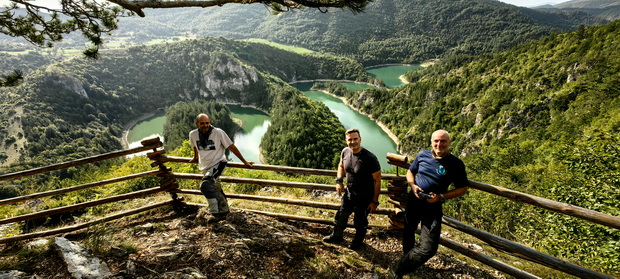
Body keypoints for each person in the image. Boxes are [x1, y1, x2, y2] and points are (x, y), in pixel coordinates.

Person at [389, 129, 468, 278]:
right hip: (414, 201)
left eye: (443, 141)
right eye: (436, 141)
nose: (439, 144)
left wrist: (441, 197)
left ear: (449, 143)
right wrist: (413, 185)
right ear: (431, 142)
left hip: (433, 208)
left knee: (429, 248)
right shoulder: (422, 155)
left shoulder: (456, 164)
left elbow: (462, 189)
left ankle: (397, 269)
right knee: (408, 231)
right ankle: (408, 261)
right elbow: (410, 172)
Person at [323, 128, 382, 250]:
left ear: (360, 139)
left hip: (364, 196)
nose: (353, 142)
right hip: (349, 193)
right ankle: (337, 236)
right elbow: (341, 166)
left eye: (355, 139)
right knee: (341, 216)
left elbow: (377, 180)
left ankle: (358, 241)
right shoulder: (345, 152)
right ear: (346, 141)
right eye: (350, 139)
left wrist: (375, 201)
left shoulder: (370, 158)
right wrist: (339, 181)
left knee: (360, 221)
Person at [189, 113, 254, 223]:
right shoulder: (193, 134)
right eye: (202, 123)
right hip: (205, 166)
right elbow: (195, 146)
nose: (205, 125)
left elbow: (231, 147)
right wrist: (195, 157)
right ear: (197, 124)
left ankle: (214, 213)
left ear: (210, 122)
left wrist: (244, 162)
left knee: (206, 185)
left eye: (207, 123)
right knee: (215, 187)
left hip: (219, 163)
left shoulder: (218, 133)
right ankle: (224, 210)